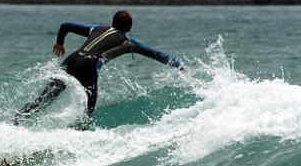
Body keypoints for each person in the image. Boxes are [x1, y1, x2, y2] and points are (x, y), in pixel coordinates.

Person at [14, 10, 184, 129]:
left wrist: (60, 43)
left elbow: (66, 25)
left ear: (113, 22)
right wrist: (180, 66)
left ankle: (15, 122)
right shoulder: (128, 41)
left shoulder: (96, 29)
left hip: (71, 59)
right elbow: (156, 54)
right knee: (89, 107)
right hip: (88, 65)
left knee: (45, 98)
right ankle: (75, 137)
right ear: (129, 27)